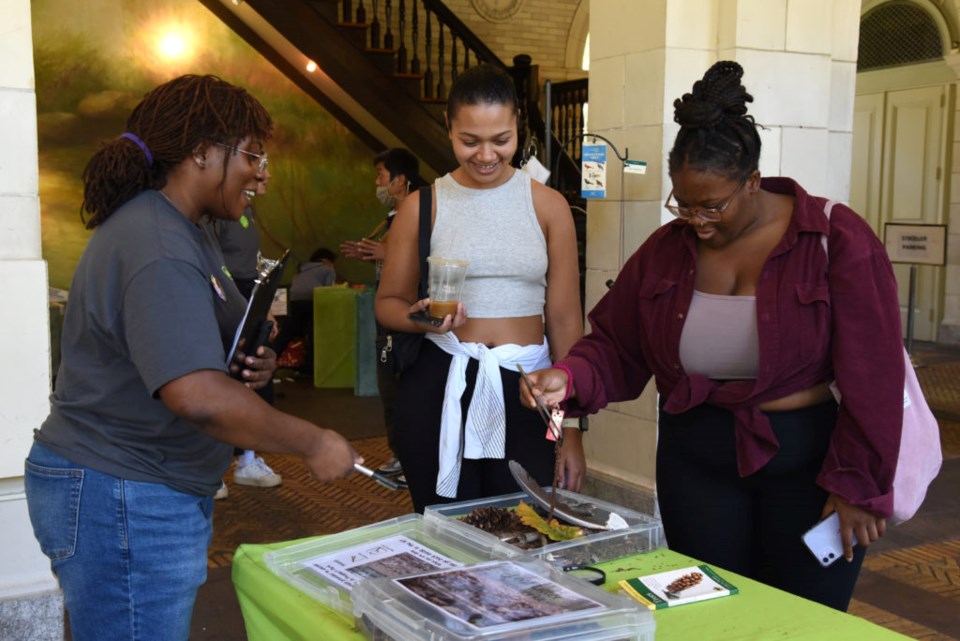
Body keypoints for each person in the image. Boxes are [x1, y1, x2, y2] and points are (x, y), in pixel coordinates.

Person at [520, 61, 903, 611]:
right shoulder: (666, 250)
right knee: (709, 613)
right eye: (683, 203)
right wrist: (568, 375)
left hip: (807, 468)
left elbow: (877, 375)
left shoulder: (834, 239)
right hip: (694, 462)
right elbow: (618, 343)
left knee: (798, 619)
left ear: (752, 181)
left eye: (712, 206)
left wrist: (860, 486)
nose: (696, 221)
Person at [23, 74, 361, 641]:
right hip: (122, 493)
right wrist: (313, 441)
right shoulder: (158, 243)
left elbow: (186, 355)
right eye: (252, 153)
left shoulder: (187, 231)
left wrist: (246, 362)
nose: (263, 172)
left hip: (142, 485)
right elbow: (196, 396)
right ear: (202, 152)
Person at [375, 64, 585, 513]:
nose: (486, 155)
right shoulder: (422, 206)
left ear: (517, 128)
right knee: (444, 532)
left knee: (526, 528)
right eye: (469, 141)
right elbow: (387, 304)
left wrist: (571, 431)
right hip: (441, 382)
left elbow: (566, 321)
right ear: (449, 127)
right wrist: (424, 318)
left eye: (500, 140)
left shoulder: (548, 207)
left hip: (532, 389)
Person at [340, 148, 427, 485]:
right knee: (388, 381)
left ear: (399, 180)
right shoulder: (395, 214)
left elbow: (425, 255)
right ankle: (402, 454)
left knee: (401, 381)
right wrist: (376, 254)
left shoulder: (420, 210)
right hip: (387, 309)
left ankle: (411, 459)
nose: (376, 182)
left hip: (406, 313)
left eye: (380, 174)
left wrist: (386, 252)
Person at [208, 170, 282, 496]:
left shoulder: (246, 209)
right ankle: (211, 470)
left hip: (248, 291)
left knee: (252, 374)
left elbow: (251, 267)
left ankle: (248, 460)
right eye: (256, 165)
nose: (264, 175)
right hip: (223, 292)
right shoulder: (218, 210)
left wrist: (262, 307)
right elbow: (216, 265)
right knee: (218, 379)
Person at [271, 247, 338, 368]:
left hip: (294, 300)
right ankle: (312, 367)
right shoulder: (327, 269)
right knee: (314, 333)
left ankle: (269, 357)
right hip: (313, 299)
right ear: (326, 260)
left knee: (288, 332)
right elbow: (329, 291)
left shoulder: (301, 268)